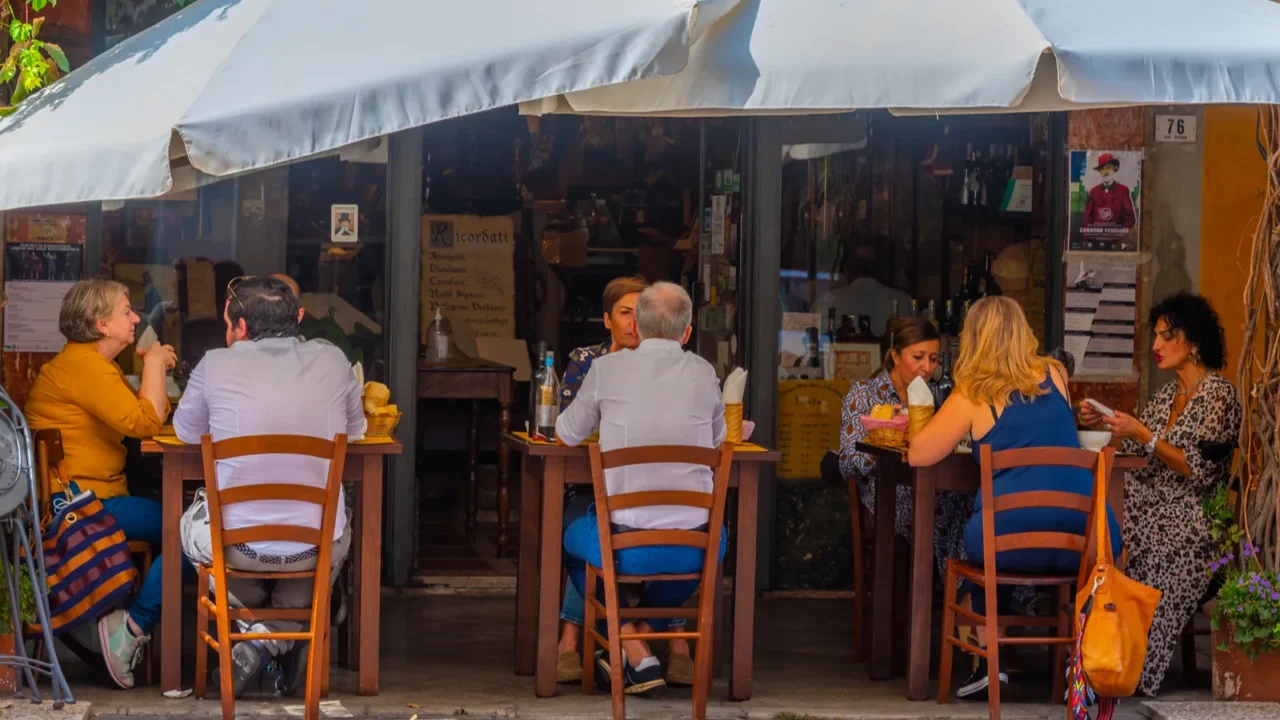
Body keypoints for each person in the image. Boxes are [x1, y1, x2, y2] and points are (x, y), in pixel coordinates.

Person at [908, 296, 1121, 700]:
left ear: (973, 339)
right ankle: (1080, 664)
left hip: (1006, 544)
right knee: (997, 527)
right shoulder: (1056, 375)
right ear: (1024, 333)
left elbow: (920, 453)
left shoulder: (971, 392)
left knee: (983, 534)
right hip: (1082, 537)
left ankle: (991, 661)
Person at [173, 276, 366, 697]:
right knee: (338, 528)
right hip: (314, 548)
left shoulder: (214, 363)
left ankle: (256, 638)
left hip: (236, 548)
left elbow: (186, 433)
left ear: (239, 326)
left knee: (189, 525)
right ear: (295, 319)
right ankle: (278, 635)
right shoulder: (333, 361)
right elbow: (357, 429)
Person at [555, 281, 726, 695]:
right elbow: (719, 441)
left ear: (640, 328)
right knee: (719, 541)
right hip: (696, 545)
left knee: (571, 542)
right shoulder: (705, 373)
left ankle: (632, 645)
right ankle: (642, 641)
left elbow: (565, 434)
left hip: (621, 545)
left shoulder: (606, 368)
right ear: (686, 333)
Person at [24, 279, 193, 689]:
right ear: (101, 324)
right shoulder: (85, 367)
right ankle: (131, 627)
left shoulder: (87, 365)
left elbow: (137, 412)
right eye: (125, 311)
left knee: (187, 527)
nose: (136, 317)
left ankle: (127, 625)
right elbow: (144, 422)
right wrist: (153, 365)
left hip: (87, 499)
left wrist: (148, 373)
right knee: (195, 532)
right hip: (84, 506)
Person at [1078, 292, 1241, 696]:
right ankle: (1100, 656)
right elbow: (1135, 452)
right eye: (1156, 336)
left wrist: (1144, 434)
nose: (1155, 346)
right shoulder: (1167, 395)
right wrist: (1107, 423)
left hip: (1195, 521)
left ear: (1195, 342)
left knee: (1136, 533)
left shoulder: (1220, 395)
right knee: (1103, 516)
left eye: (1167, 336)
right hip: (1150, 506)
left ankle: (1132, 666)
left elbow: (1198, 469)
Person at [839, 317, 972, 580]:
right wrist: (882, 437)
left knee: (971, 504)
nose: (926, 368)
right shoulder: (865, 394)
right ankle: (950, 598)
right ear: (895, 355)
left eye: (933, 359)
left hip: (932, 487)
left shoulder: (938, 396)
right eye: (918, 357)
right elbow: (847, 461)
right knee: (934, 511)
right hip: (888, 493)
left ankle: (967, 600)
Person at [813, 239, 912, 337]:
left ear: (847, 270)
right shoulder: (903, 301)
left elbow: (812, 335)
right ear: (884, 271)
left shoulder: (827, 300)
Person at [1082, 153, 1136, 232]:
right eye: (1102, 169)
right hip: (1096, 238)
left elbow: (1131, 219)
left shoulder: (1123, 190)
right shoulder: (1094, 191)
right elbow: (1087, 220)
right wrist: (1087, 240)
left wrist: (1119, 234)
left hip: (1117, 239)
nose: (1105, 172)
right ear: (1099, 172)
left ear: (1114, 169)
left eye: (1108, 168)